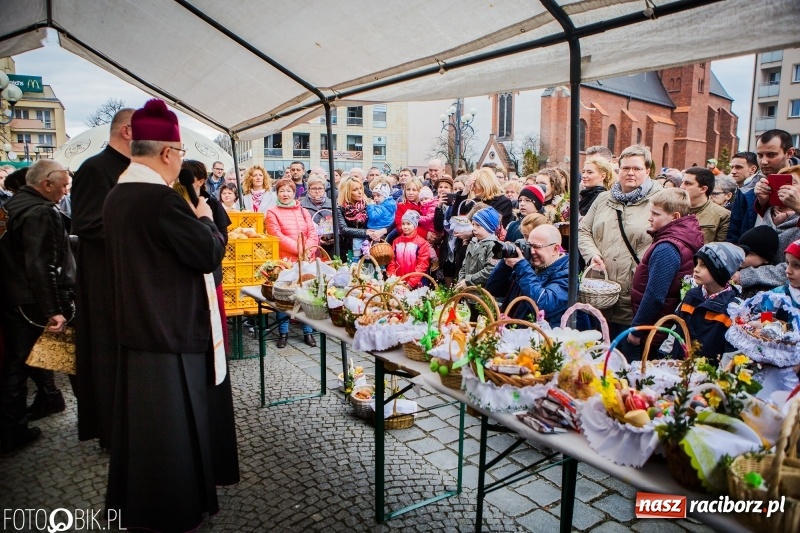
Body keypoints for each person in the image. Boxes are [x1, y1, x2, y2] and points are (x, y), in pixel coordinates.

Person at [103, 99, 235, 531]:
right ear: (166, 153)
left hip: (139, 328)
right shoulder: (161, 200)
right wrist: (205, 219)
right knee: (172, 437)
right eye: (179, 154)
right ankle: (174, 509)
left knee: (145, 435)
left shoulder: (118, 194)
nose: (179, 162)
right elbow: (207, 253)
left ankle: (143, 504)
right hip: (170, 331)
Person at [0, 159, 74, 455]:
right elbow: (42, 265)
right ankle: (13, 431)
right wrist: (53, 309)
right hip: (31, 300)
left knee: (21, 364)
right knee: (48, 359)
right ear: (46, 184)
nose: (66, 192)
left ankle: (42, 404)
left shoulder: (13, 205)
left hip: (15, 296)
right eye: (64, 185)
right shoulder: (41, 211)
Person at [70, 107, 133, 448]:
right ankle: (111, 430)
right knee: (108, 354)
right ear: (127, 131)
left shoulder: (129, 168)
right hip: (103, 280)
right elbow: (88, 224)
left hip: (126, 276)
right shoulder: (95, 169)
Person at [578, 144, 663, 336]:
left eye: (637, 168)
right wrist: (592, 255)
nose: (630, 173)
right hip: (600, 290)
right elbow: (583, 231)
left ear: (647, 171)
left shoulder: (660, 201)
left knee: (626, 355)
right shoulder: (603, 199)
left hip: (634, 294)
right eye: (625, 168)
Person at [622, 188, 704, 361]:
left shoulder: (667, 248)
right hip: (659, 325)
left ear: (675, 217)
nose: (650, 218)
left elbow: (655, 295)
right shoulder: (680, 238)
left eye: (656, 214)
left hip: (654, 330)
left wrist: (637, 330)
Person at [265, 178, 319, 347]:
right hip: (286, 260)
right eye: (282, 191)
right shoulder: (272, 212)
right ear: (277, 193)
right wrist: (299, 249)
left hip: (306, 259)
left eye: (289, 191)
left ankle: (308, 331)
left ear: (294, 193)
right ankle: (283, 332)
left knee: (307, 295)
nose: (285, 194)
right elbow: (276, 235)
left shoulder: (302, 211)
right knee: (284, 297)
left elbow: (312, 232)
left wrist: (308, 249)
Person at [486, 224, 569, 327]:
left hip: (538, 338)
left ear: (555, 249)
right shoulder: (528, 264)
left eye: (537, 247)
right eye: (529, 245)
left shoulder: (567, 274)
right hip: (511, 332)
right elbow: (494, 289)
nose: (532, 251)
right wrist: (506, 264)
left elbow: (543, 305)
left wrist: (521, 267)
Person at [734, 164, 800, 293]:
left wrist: (746, 276)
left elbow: (792, 267)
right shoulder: (767, 213)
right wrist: (763, 201)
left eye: (793, 182)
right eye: (778, 182)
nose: (783, 187)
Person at [677, 243, 744, 363]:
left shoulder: (733, 309)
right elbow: (675, 329)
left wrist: (719, 377)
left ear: (720, 272)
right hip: (678, 368)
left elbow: (732, 351)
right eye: (697, 264)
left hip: (710, 376)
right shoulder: (691, 296)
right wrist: (664, 356)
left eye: (704, 265)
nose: (696, 269)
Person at [454, 206, 501, 290]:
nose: (474, 229)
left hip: (482, 294)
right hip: (467, 292)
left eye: (478, 225)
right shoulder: (472, 243)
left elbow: (490, 271)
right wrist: (461, 281)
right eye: (473, 224)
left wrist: (468, 281)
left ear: (489, 227)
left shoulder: (495, 246)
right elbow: (464, 266)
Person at [680, 167, 730, 243]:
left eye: (688, 183)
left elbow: (720, 249)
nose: (681, 187)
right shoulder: (673, 209)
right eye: (682, 182)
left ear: (703, 189)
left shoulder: (722, 215)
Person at [386, 210, 431, 287]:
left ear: (415, 225)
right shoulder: (396, 242)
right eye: (403, 224)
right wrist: (392, 277)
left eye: (408, 224)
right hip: (399, 281)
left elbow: (422, 264)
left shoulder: (422, 243)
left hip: (416, 284)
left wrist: (411, 283)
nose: (405, 227)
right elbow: (391, 261)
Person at [726, 151, 762, 244]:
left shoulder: (756, 192)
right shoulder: (741, 190)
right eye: (732, 167)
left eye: (738, 167)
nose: (733, 171)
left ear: (753, 169)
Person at [737, 225, 780, 299]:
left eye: (750, 253)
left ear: (766, 259)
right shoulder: (733, 271)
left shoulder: (764, 287)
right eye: (741, 250)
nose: (742, 255)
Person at [300, 174, 334, 256]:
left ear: (324, 189)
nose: (317, 191)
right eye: (314, 188)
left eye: (320, 188)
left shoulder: (333, 204)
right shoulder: (301, 205)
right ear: (308, 190)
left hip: (331, 247)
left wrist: (335, 238)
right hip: (310, 247)